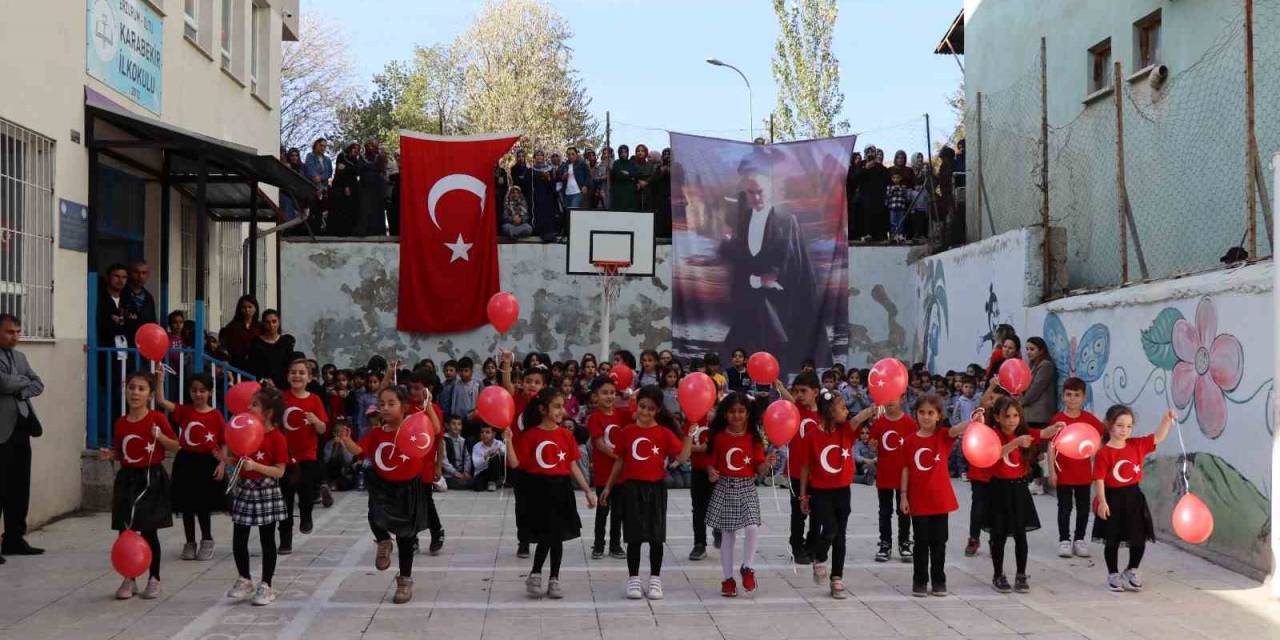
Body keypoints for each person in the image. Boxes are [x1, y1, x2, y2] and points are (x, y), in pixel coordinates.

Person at [720, 162, 831, 372]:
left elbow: (792, 258)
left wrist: (770, 279)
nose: (756, 198)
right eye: (751, 193)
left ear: (769, 193)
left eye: (760, 192)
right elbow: (744, 256)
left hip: (780, 299)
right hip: (751, 297)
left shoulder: (785, 220)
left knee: (778, 348)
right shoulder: (744, 220)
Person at [335, 386, 432, 604]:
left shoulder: (413, 429)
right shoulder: (376, 433)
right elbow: (359, 450)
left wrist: (428, 407)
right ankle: (383, 541)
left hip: (408, 487)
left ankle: (405, 580)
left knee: (406, 538)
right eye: (382, 404)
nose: (385, 408)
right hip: (382, 485)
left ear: (404, 406)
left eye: (391, 403)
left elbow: (432, 430)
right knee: (374, 516)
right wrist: (346, 440)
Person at [601, 385, 689, 600]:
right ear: (636, 405)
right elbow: (620, 461)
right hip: (631, 489)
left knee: (656, 537)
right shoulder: (627, 432)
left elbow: (683, 457)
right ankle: (633, 579)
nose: (645, 412)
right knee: (633, 537)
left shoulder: (664, 433)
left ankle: (655, 580)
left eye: (650, 409)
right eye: (642, 407)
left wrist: (689, 434)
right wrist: (608, 487)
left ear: (657, 410)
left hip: (656, 489)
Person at [508, 387, 595, 599]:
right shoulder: (530, 435)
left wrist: (587, 491)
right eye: (556, 406)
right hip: (538, 490)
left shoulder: (566, 435)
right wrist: (508, 440)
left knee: (557, 536)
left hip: (561, 489)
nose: (561, 410)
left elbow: (573, 466)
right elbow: (515, 463)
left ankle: (553, 578)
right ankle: (536, 573)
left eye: (562, 406)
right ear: (542, 409)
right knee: (548, 534)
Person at [98, 372, 179, 600]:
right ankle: (129, 577)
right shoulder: (121, 422)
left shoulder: (157, 419)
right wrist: (109, 455)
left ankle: (154, 578)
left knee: (148, 529)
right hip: (127, 480)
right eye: (132, 387)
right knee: (126, 531)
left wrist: (161, 437)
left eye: (141, 389)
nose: (135, 392)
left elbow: (176, 446)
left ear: (150, 395)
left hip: (150, 478)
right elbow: (120, 451)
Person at [801, 390, 877, 599]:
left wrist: (875, 407)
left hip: (843, 491)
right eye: (842, 408)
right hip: (820, 492)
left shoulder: (846, 430)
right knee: (830, 530)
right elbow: (806, 468)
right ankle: (819, 556)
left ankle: (837, 578)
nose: (847, 411)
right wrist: (803, 495)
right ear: (828, 411)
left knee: (840, 535)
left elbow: (861, 417)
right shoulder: (812, 436)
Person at [984, 396, 1062, 593]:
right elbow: (992, 455)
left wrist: (1055, 429)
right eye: (1007, 416)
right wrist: (1015, 443)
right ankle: (998, 574)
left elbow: (1042, 433)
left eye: (1016, 415)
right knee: (999, 535)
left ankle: (1021, 574)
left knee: (1021, 534)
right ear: (997, 417)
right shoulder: (993, 434)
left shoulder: (1024, 433)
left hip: (1019, 489)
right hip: (998, 490)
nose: (1012, 420)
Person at [1093, 406, 1173, 592]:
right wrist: (1102, 501)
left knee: (1138, 538)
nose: (1124, 430)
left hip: (1134, 497)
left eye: (1129, 426)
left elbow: (1158, 437)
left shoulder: (1136, 445)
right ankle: (1113, 574)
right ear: (1109, 426)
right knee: (1111, 539)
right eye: (1120, 425)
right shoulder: (1104, 453)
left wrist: (1166, 421)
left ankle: (1132, 569)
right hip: (1113, 498)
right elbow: (1099, 479)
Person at [224, 386, 289, 606]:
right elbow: (241, 461)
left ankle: (266, 585)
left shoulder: (277, 438)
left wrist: (256, 466)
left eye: (254, 405)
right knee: (239, 537)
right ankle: (245, 579)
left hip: (266, 489)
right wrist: (227, 459)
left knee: (267, 539)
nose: (248, 408)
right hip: (245, 488)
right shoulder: (245, 431)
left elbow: (280, 471)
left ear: (268, 412)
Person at [704, 392, 772, 598]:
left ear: (748, 414)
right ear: (725, 414)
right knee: (728, 535)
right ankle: (727, 579)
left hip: (747, 488)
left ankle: (747, 567)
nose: (736, 415)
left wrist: (767, 464)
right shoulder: (719, 437)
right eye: (732, 411)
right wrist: (711, 472)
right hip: (725, 487)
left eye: (741, 411)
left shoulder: (753, 439)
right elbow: (711, 463)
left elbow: (759, 468)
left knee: (752, 527)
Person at [900, 395, 967, 597]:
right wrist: (903, 496)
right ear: (916, 415)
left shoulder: (943, 437)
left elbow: (957, 429)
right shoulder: (910, 441)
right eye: (922, 412)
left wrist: (974, 419)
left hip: (940, 500)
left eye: (931, 413)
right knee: (920, 542)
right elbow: (905, 469)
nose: (926, 417)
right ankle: (919, 581)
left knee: (939, 542)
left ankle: (939, 580)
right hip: (918, 501)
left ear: (939, 416)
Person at [156, 373, 225, 562]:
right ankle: (189, 542)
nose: (198, 394)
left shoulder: (216, 415)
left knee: (202, 505)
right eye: (194, 390)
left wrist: (222, 463)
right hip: (185, 462)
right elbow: (161, 400)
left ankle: (207, 540)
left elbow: (224, 441)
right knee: (186, 505)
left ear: (210, 392)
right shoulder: (184, 411)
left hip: (206, 463)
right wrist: (160, 379)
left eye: (202, 390)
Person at [0, 313, 44, 562]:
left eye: (17, 331)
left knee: (19, 487)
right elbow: (2, 383)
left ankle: (14, 539)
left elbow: (38, 384)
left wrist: (19, 385)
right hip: (1, 432)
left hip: (21, 429)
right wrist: (21, 383)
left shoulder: (20, 357)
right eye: (9, 331)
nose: (14, 336)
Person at [1049, 378, 1106, 558]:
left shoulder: (1089, 420)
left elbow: (1101, 441)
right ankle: (1064, 540)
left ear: (1083, 398)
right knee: (1064, 507)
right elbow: (1052, 447)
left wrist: (1097, 463)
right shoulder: (1058, 420)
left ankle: (1079, 539)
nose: (1072, 399)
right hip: (1063, 472)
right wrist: (1051, 471)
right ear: (1063, 396)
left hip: (1083, 473)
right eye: (1068, 395)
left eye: (1076, 395)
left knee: (1083, 508)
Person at [279, 359, 329, 554]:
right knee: (285, 499)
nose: (297, 376)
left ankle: (306, 514)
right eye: (293, 372)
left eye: (301, 372)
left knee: (307, 492)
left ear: (309, 378)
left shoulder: (314, 400)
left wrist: (316, 421)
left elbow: (323, 428)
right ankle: (285, 539)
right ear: (288, 376)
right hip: (284, 457)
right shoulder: (281, 398)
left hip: (307, 454)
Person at [776, 372, 819, 563]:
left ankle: (812, 545)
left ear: (815, 392)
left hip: (818, 473)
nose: (799, 395)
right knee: (798, 512)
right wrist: (779, 386)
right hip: (796, 471)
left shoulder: (824, 413)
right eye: (797, 391)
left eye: (804, 391)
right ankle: (796, 546)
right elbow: (787, 397)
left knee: (817, 512)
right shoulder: (796, 409)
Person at [587, 377, 630, 559]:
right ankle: (598, 545)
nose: (609, 396)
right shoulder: (595, 418)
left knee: (619, 512)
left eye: (612, 392)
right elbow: (599, 444)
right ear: (595, 396)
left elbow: (636, 416)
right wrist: (619, 457)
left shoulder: (622, 414)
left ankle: (615, 544)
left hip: (621, 474)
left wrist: (632, 397)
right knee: (602, 510)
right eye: (605, 393)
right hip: (604, 473)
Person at [869, 393, 914, 563]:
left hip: (904, 476)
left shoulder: (909, 422)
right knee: (885, 511)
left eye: (894, 397)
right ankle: (885, 543)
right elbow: (873, 443)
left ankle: (904, 543)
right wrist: (873, 446)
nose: (890, 400)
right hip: (885, 475)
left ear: (902, 398)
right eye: (887, 397)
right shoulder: (879, 422)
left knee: (904, 511)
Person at [244, 310, 296, 390]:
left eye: (274, 321)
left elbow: (289, 365)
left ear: (279, 322)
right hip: (261, 387)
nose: (271, 325)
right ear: (263, 324)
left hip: (283, 387)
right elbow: (253, 366)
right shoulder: (256, 343)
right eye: (268, 322)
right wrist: (264, 381)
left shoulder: (286, 342)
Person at [327, 143, 363, 237]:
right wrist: (346, 186)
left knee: (351, 209)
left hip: (353, 186)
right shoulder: (342, 156)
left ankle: (349, 231)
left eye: (358, 149)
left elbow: (357, 172)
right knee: (340, 208)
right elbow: (341, 172)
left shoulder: (356, 160)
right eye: (354, 148)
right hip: (340, 185)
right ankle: (338, 232)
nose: (356, 150)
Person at [219, 295, 261, 369]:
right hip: (236, 364)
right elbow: (224, 345)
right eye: (244, 307)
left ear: (255, 308)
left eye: (250, 307)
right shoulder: (232, 326)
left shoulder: (260, 327)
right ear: (240, 309)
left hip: (256, 365)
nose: (247, 310)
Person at [357, 140, 388, 236]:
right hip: (365, 187)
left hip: (377, 187)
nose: (370, 148)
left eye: (372, 146)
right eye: (368, 146)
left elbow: (381, 169)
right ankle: (364, 231)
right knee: (365, 208)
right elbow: (359, 170)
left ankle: (378, 231)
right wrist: (371, 168)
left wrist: (370, 168)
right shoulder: (361, 158)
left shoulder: (380, 157)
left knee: (377, 209)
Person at [528, 151, 560, 242]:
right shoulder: (531, 170)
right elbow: (528, 184)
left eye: (541, 155)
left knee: (548, 215)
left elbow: (553, 186)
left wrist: (548, 178)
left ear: (543, 157)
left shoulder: (550, 170)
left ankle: (550, 233)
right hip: (536, 197)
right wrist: (538, 177)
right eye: (537, 155)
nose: (539, 157)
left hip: (548, 197)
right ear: (534, 157)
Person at [124, 260, 159, 331]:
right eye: (136, 272)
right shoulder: (121, 293)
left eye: (144, 273)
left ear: (148, 275)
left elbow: (152, 323)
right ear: (129, 274)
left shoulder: (149, 297)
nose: (140, 276)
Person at [470, 425, 506, 491]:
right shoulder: (476, 446)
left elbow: (506, 454)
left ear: (493, 434)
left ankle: (493, 481)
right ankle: (496, 482)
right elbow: (476, 465)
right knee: (478, 487)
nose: (484, 434)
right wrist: (485, 456)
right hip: (483, 471)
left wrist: (499, 450)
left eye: (487, 432)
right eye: (482, 432)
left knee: (494, 457)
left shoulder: (498, 443)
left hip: (496, 471)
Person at [442, 416, 474, 490]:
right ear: (447, 426)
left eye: (459, 424)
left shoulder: (463, 441)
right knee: (463, 484)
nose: (456, 427)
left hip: (461, 473)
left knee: (475, 481)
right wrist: (455, 472)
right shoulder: (444, 440)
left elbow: (467, 458)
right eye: (453, 424)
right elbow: (444, 461)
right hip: (449, 474)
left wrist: (466, 471)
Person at [651, 148, 673, 236]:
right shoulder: (659, 167)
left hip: (673, 196)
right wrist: (661, 172)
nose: (667, 156)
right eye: (665, 154)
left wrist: (670, 171)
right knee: (661, 217)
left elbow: (681, 179)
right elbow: (654, 180)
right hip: (661, 196)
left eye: (669, 154)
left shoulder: (677, 166)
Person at [609, 145, 639, 212]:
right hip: (618, 192)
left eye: (625, 152)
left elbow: (635, 175)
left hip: (629, 192)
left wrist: (628, 174)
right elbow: (617, 175)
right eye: (621, 152)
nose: (623, 154)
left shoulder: (632, 163)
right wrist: (629, 176)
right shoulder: (616, 163)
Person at [561, 146, 589, 211]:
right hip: (567, 194)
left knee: (574, 212)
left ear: (576, 154)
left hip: (577, 193)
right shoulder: (565, 165)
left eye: (573, 154)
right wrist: (563, 176)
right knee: (567, 215)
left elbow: (588, 176)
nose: (571, 156)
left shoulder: (582, 163)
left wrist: (585, 185)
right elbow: (560, 177)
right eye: (569, 154)